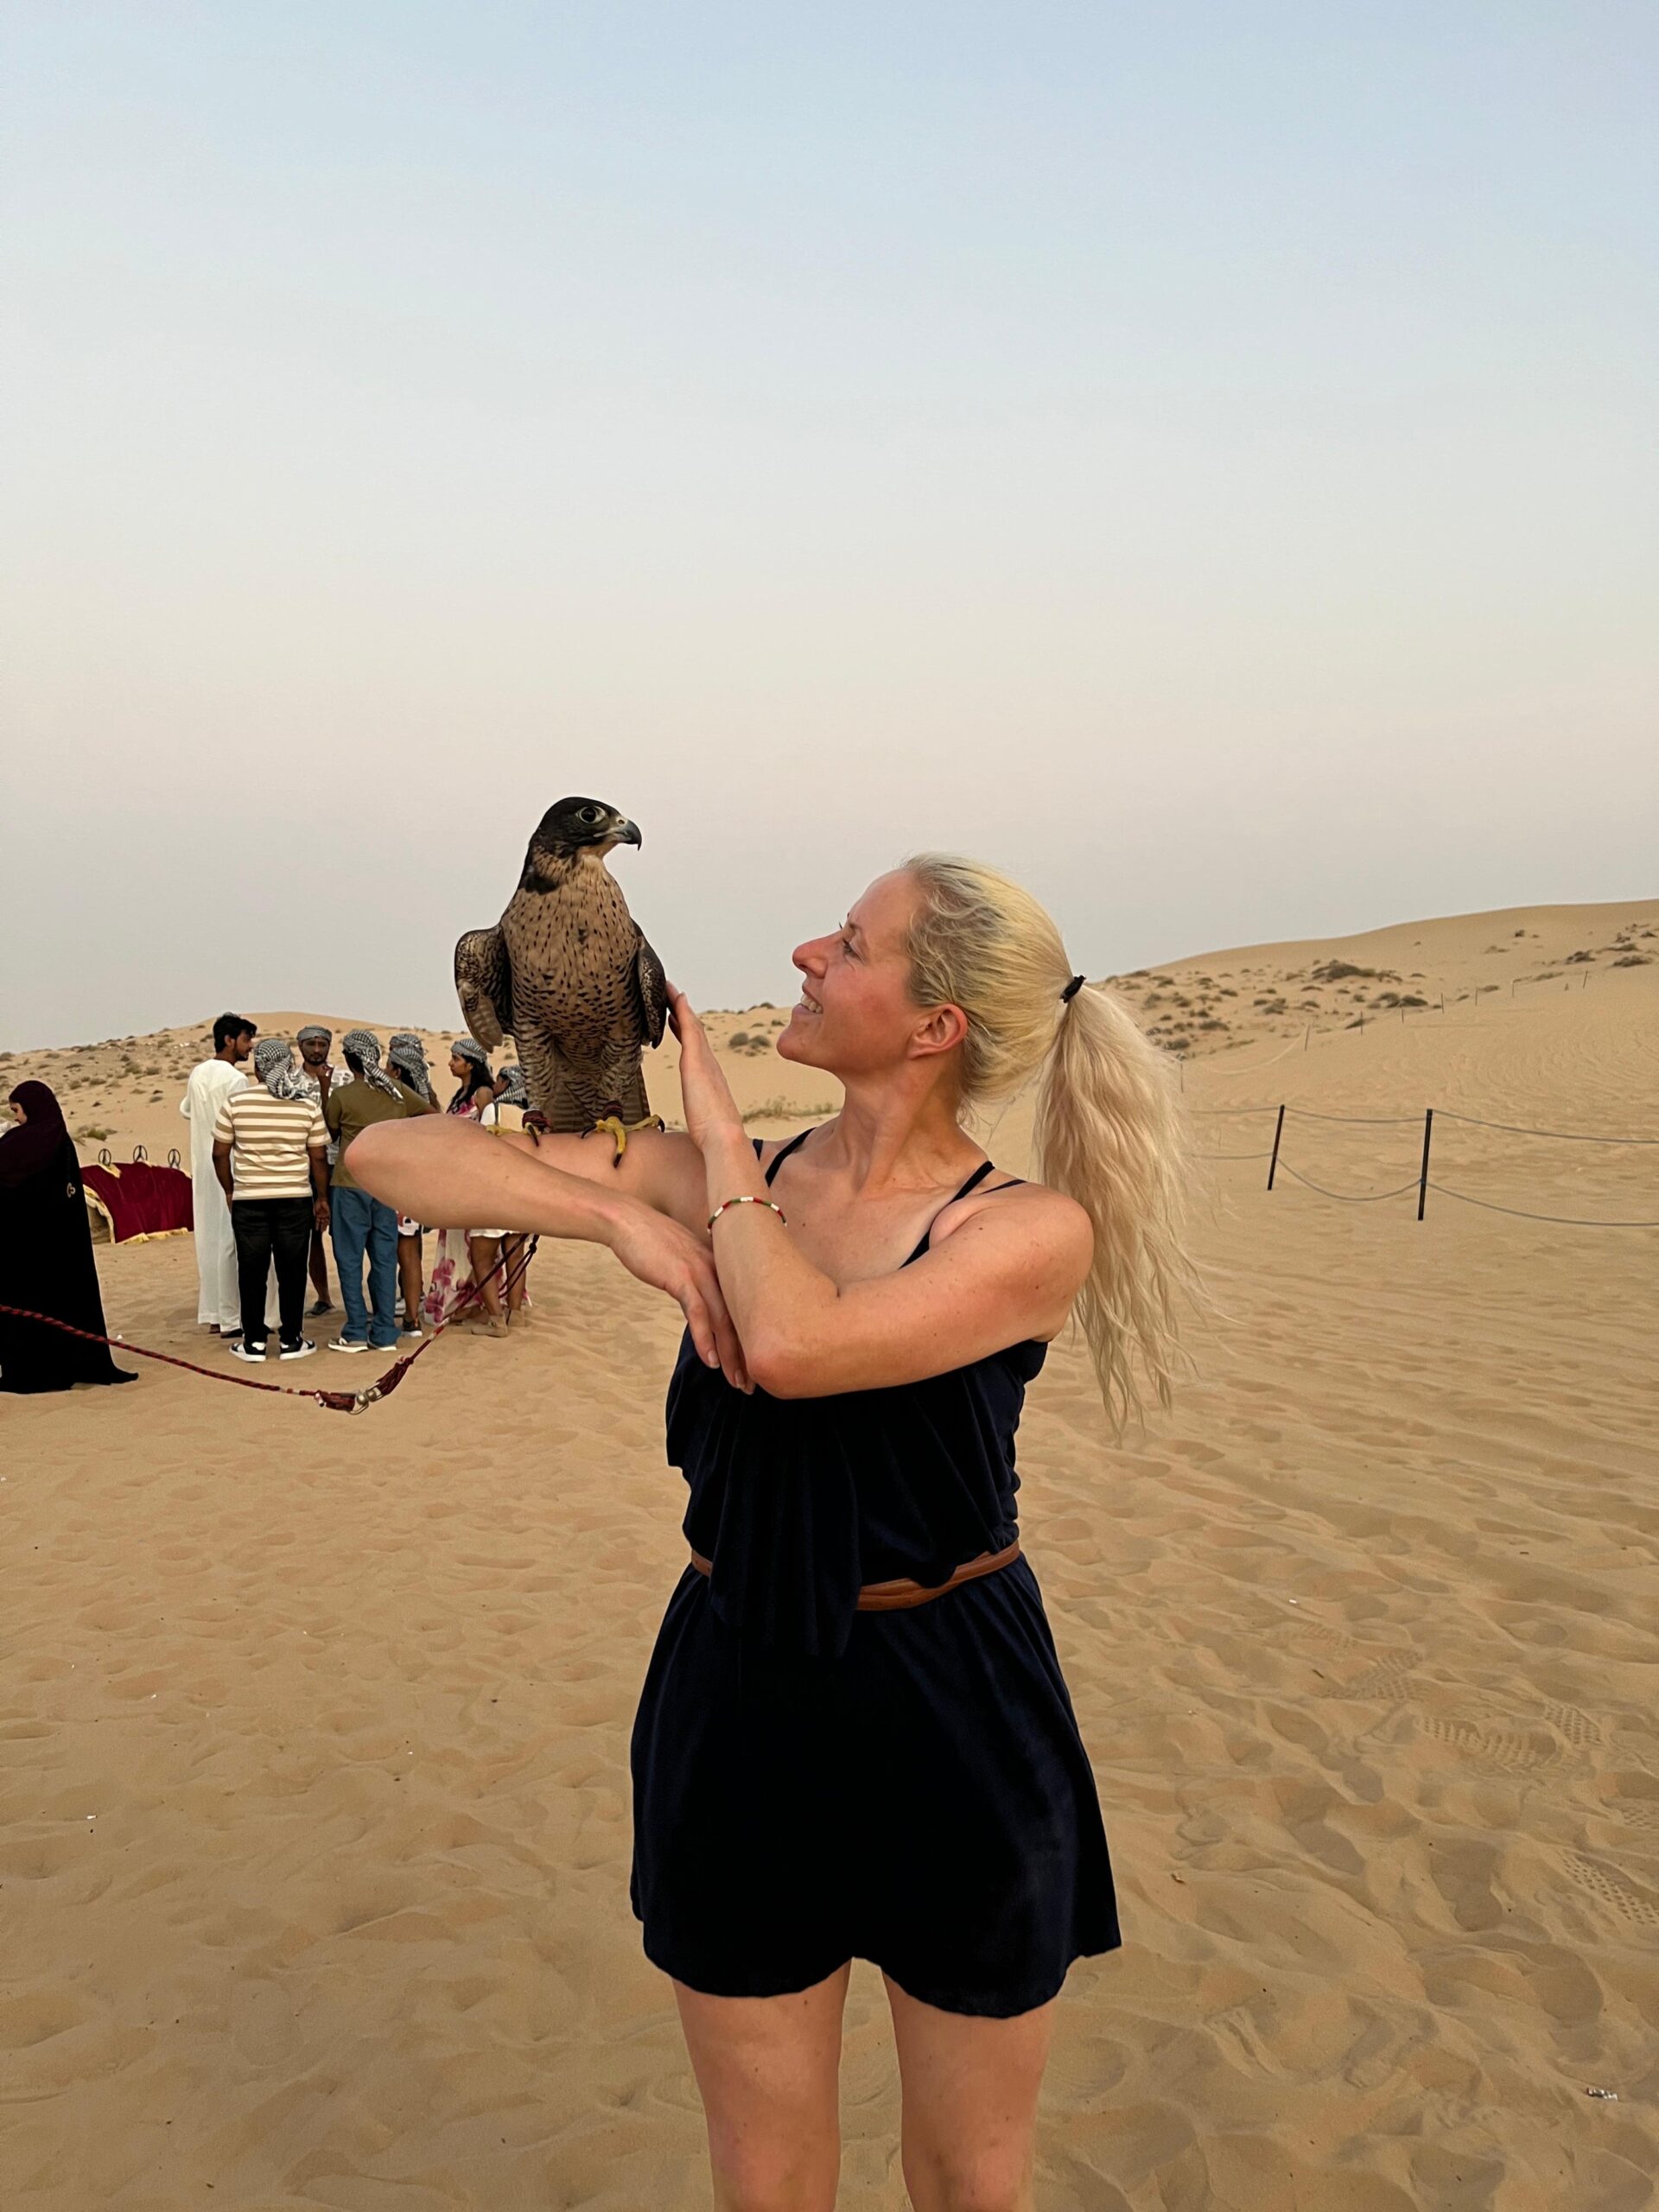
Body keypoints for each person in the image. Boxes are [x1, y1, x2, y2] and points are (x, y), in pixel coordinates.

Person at [350, 855, 1196, 2212]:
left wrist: (720, 1157)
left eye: (851, 943)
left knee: (972, 2180)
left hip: (956, 1708)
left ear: (936, 1028)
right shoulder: (725, 1182)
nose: (807, 950)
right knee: (767, 2176)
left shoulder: (1026, 1231)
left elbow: (799, 1344)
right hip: (738, 1688)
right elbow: (387, 1156)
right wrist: (623, 1216)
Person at [0, 1081, 138, 1392]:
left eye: (18, 1111)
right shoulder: (61, 1142)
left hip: (22, 1251)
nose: (18, 1119)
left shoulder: (14, 1146)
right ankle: (73, 1363)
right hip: (64, 1248)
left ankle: (35, 1370)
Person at [212, 1039, 329, 1362]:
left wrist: (230, 1190)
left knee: (251, 1272)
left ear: (258, 1068)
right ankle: (292, 1340)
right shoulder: (306, 1105)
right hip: (294, 1200)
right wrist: (322, 1197)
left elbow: (219, 1152)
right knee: (292, 1271)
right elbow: (318, 1157)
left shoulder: (236, 1103)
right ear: (288, 1066)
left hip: (250, 1201)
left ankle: (254, 1343)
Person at [322, 1029, 435, 1354]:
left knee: (349, 1259)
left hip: (349, 1183)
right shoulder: (397, 1092)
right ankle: (385, 1331)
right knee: (385, 1259)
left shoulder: (342, 1096)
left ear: (348, 1060)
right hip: (386, 1187)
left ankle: (356, 1330)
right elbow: (430, 1115)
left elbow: (331, 1132)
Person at [420, 1039, 508, 1335]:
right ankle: (467, 1302)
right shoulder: (462, 1094)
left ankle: (490, 1311)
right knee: (461, 1245)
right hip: (458, 1182)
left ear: (470, 1063)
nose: (450, 1063)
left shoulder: (483, 1094)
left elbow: (489, 1132)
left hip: (475, 1181)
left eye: (456, 1058)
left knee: (479, 1250)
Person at [179, 1012, 256, 1334]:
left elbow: (185, 1110)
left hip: (203, 1166)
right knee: (230, 1242)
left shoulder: (198, 1073)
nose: (250, 1047)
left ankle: (213, 1314)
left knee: (209, 1240)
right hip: (229, 1168)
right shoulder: (235, 1080)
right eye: (246, 1039)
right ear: (229, 1040)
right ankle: (230, 1318)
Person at [387, 1033, 437, 1338]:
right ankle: (412, 1300)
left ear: (398, 1070)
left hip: (401, 1184)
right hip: (416, 1183)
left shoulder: (402, 1098)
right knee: (411, 1246)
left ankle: (411, 1316)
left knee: (405, 1249)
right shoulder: (427, 1096)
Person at [296, 1025, 342, 1316]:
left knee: (345, 1234)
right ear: (300, 1047)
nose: (317, 1049)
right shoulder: (288, 1082)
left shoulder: (345, 1078)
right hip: (303, 1168)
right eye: (311, 1044)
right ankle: (323, 1296)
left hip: (339, 1166)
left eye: (322, 1044)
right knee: (310, 1236)